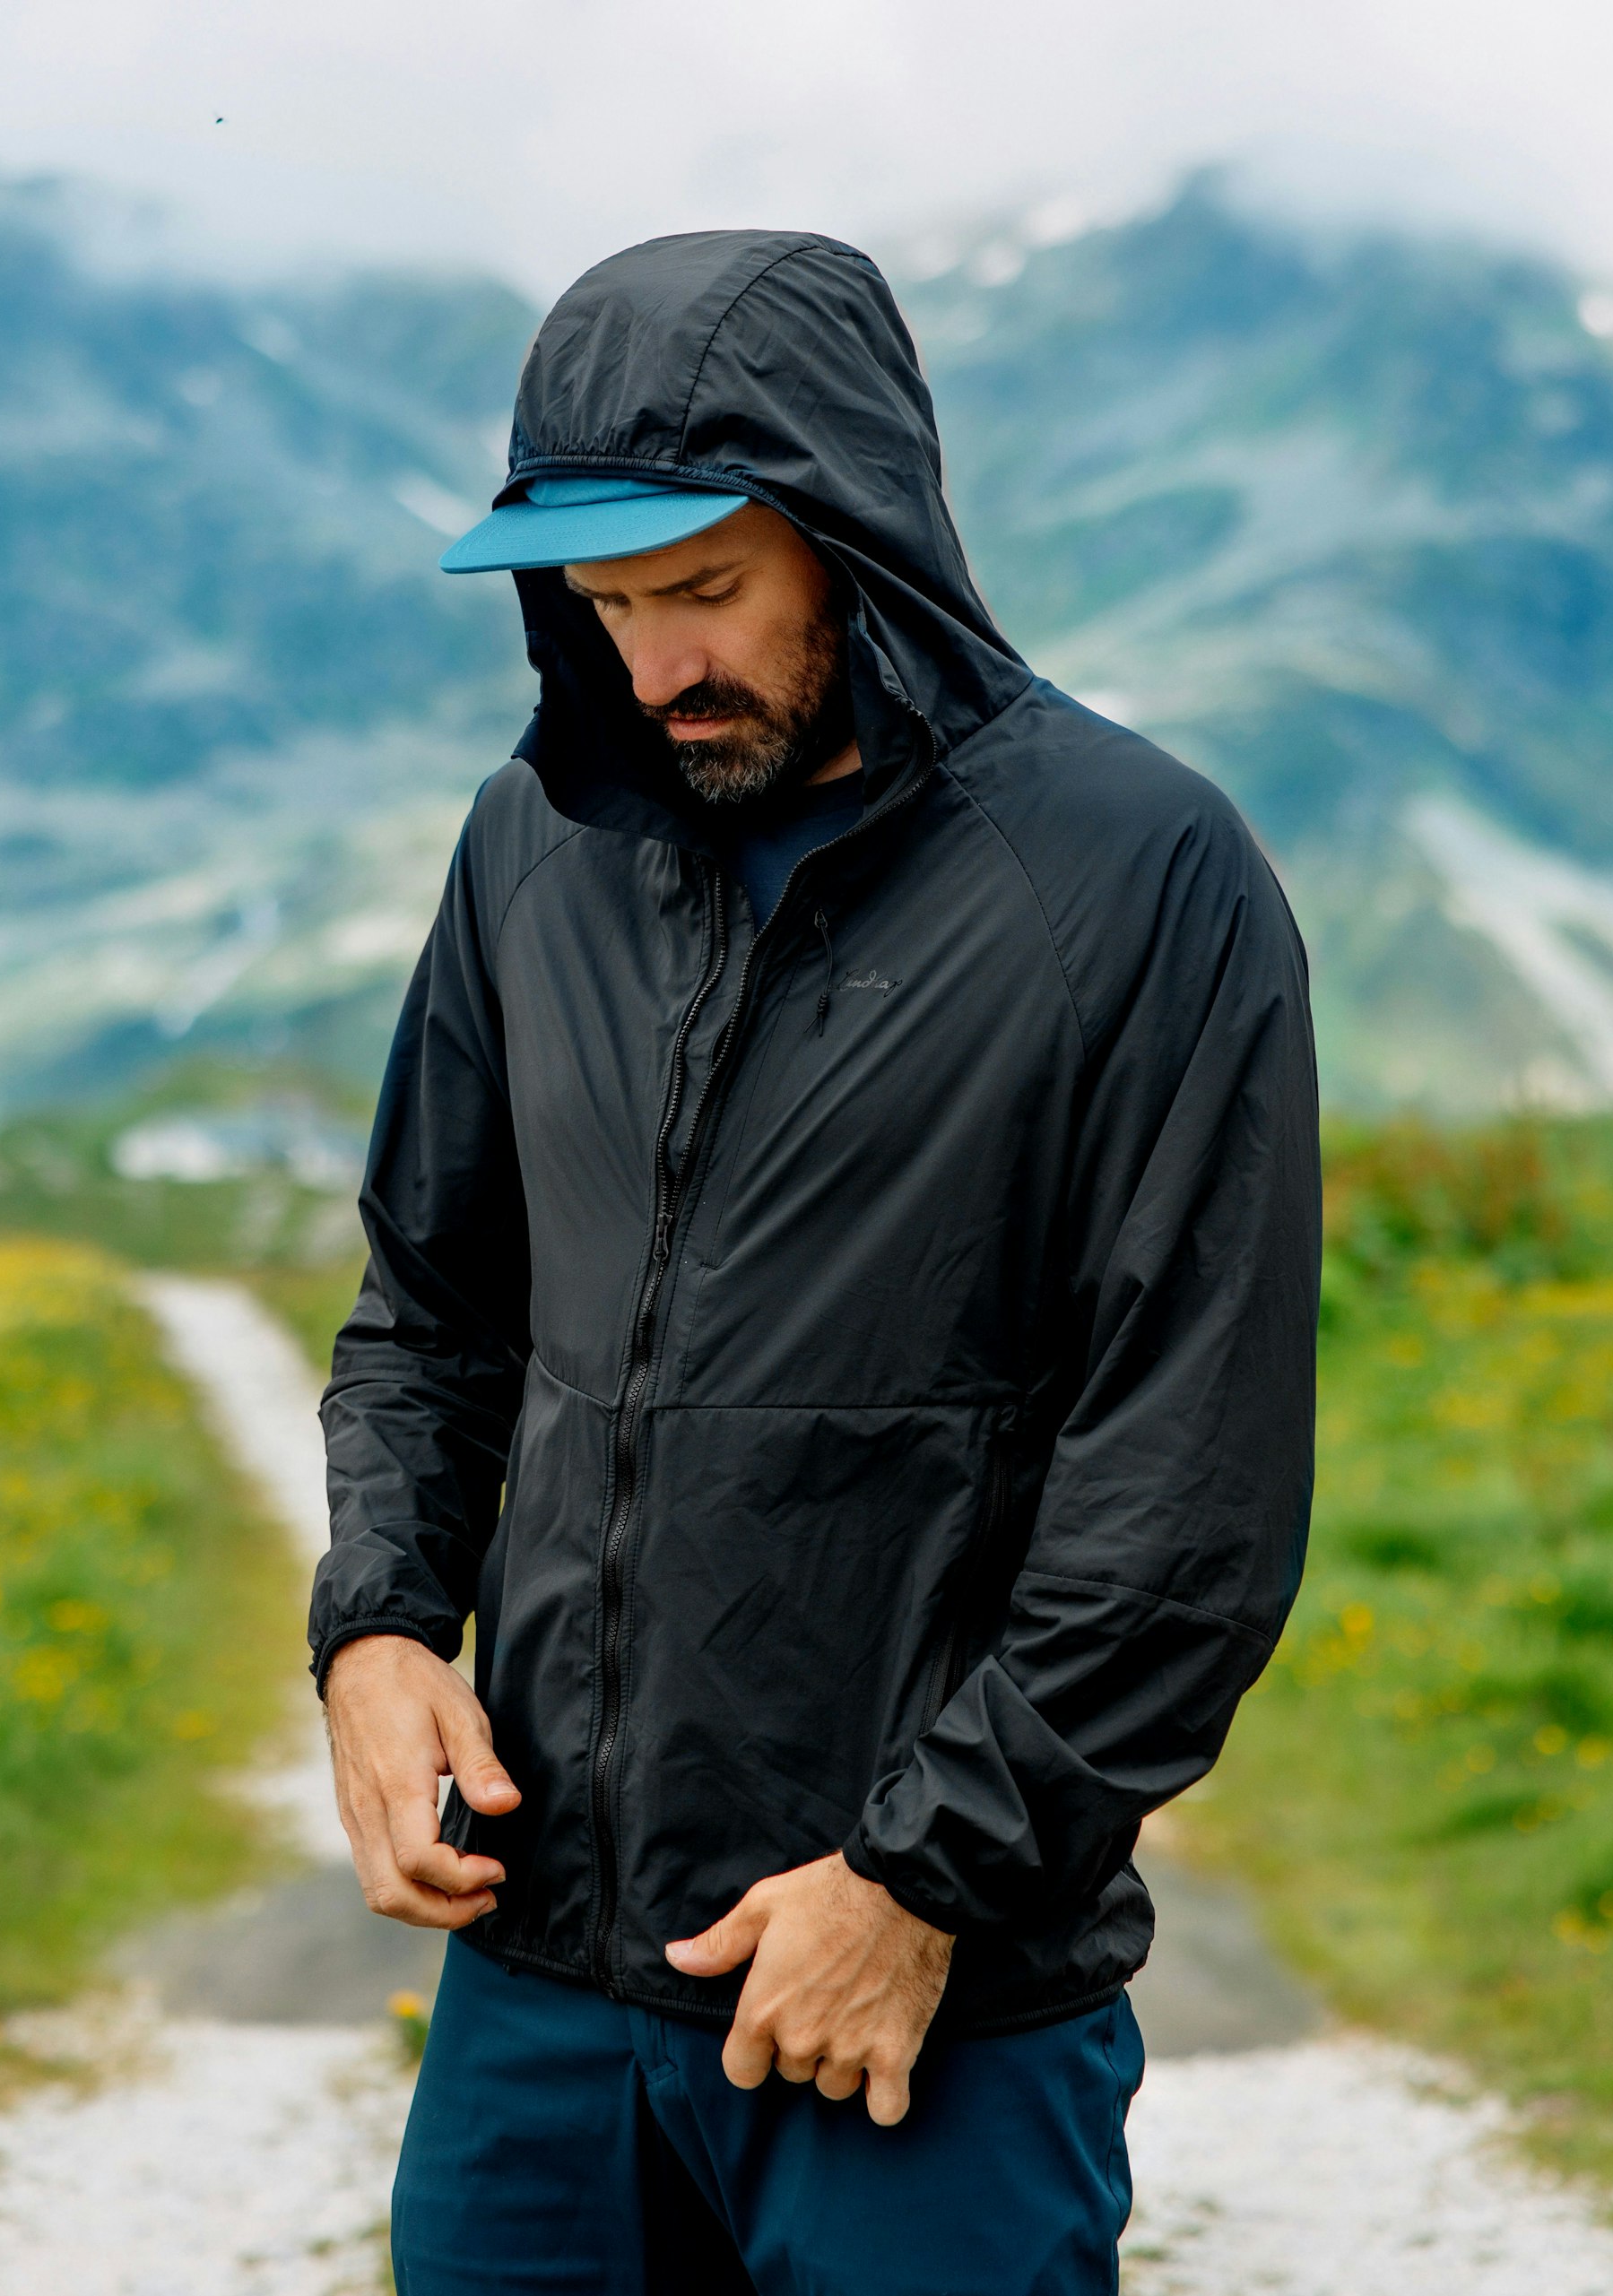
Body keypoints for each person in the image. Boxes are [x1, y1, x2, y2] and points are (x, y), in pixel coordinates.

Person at [311, 228, 1320, 2295]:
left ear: (856, 539)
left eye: (703, 593)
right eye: (599, 607)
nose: (653, 665)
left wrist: (922, 1883)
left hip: (909, 2009)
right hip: (543, 1994)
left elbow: (1185, 1492)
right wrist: (379, 1628)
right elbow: (432, 1313)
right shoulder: (534, 847)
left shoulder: (1141, 884)